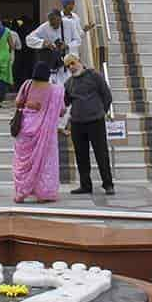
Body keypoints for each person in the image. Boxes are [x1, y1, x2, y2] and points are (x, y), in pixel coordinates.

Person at [12, 62, 66, 204]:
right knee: (45, 162)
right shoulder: (56, 90)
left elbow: (18, 102)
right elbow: (61, 112)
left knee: (23, 163)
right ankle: (43, 193)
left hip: (25, 129)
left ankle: (21, 193)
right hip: (46, 132)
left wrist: (29, 105)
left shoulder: (27, 84)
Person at [64, 53, 114, 196]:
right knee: (81, 156)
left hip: (95, 122)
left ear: (79, 61)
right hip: (77, 123)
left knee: (101, 154)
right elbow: (65, 102)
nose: (71, 67)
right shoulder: (68, 83)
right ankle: (85, 185)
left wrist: (101, 111)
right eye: (68, 66)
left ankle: (108, 184)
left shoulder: (94, 76)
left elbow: (107, 95)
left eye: (72, 63)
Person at [27, 11, 68, 80]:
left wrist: (67, 45)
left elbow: (77, 38)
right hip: (51, 65)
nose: (53, 25)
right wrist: (43, 43)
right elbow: (29, 39)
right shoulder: (45, 27)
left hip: (66, 63)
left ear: (60, 18)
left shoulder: (68, 24)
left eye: (56, 21)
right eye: (51, 23)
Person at [59, 0, 95, 65]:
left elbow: (79, 35)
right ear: (64, 5)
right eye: (70, 4)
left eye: (73, 4)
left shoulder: (75, 17)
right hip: (62, 52)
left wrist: (85, 30)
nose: (72, 6)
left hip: (74, 52)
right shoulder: (59, 17)